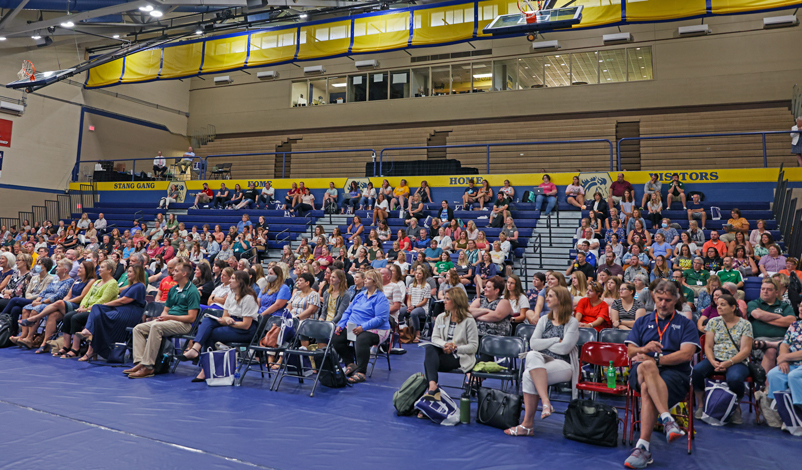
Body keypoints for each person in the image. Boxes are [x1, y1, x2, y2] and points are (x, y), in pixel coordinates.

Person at [623, 280, 699, 469]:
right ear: (654, 298)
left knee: (647, 385)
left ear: (676, 299)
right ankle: (667, 419)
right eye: (659, 299)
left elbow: (687, 354)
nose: (663, 304)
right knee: (646, 368)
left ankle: (643, 447)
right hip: (639, 371)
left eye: (667, 300)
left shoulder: (686, 324)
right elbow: (631, 352)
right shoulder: (642, 321)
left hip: (674, 375)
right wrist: (644, 348)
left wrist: (656, 359)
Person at [505, 286, 579, 436]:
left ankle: (527, 425)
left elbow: (564, 349)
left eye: (551, 296)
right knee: (531, 355)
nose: (547, 299)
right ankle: (545, 403)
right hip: (541, 360)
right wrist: (554, 340)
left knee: (528, 374)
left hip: (563, 364)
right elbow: (533, 344)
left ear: (561, 300)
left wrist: (545, 343)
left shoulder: (572, 322)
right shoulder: (544, 319)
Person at [179, 270, 259, 381]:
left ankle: (204, 369)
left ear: (240, 282)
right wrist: (226, 319)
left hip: (245, 330)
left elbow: (246, 325)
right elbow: (225, 315)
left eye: (233, 278)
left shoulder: (248, 298)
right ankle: (196, 350)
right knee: (207, 320)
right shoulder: (231, 295)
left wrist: (228, 322)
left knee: (211, 333)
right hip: (232, 322)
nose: (230, 281)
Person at [126, 261, 199, 379]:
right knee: (138, 328)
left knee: (156, 327)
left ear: (184, 273)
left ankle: (148, 367)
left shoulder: (193, 291)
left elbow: (191, 317)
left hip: (183, 324)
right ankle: (140, 362)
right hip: (169, 321)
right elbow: (166, 310)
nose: (172, 273)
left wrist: (168, 317)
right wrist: (163, 317)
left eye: (176, 271)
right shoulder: (173, 289)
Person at [692, 294, 753, 424]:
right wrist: (713, 361)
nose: (719, 307)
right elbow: (708, 346)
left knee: (735, 378)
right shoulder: (713, 322)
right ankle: (701, 405)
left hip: (737, 361)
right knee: (697, 371)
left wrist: (728, 362)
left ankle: (736, 408)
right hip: (716, 358)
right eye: (718, 304)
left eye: (723, 304)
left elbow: (745, 350)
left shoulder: (745, 324)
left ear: (733, 307)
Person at [75, 265, 147, 361]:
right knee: (96, 309)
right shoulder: (132, 286)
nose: (127, 274)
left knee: (98, 313)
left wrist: (106, 304)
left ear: (137, 273)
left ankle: (91, 346)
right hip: (121, 310)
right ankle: (90, 339)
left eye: (130, 272)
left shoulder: (140, 286)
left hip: (128, 313)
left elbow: (123, 301)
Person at [420, 287, 478, 403]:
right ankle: (433, 387)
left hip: (460, 357)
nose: (444, 301)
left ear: (456, 301)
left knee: (429, 362)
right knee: (430, 348)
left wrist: (455, 348)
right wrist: (445, 345)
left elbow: (473, 346)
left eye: (447, 299)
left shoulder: (469, 320)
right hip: (442, 353)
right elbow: (435, 338)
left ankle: (432, 390)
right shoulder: (441, 317)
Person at [332, 269, 391, 384]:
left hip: (376, 329)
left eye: (368, 278)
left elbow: (380, 319)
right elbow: (348, 312)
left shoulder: (381, 298)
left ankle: (361, 372)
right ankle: (350, 363)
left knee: (362, 338)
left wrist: (362, 327)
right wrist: (341, 324)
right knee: (337, 338)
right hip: (355, 327)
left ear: (375, 282)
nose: (365, 280)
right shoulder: (360, 296)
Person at [59, 260, 120, 359]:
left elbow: (103, 300)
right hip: (86, 309)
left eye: (102, 267)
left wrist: (87, 309)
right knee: (67, 316)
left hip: (99, 311)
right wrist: (82, 306)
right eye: (99, 267)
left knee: (75, 318)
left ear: (109, 270)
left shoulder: (112, 283)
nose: (99, 269)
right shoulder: (97, 281)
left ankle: (75, 348)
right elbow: (86, 296)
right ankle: (66, 346)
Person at [748, 277, 796, 373]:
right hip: (759, 342)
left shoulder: (784, 305)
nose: (765, 292)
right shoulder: (753, 303)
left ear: (776, 293)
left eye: (769, 290)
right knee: (771, 351)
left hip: (783, 341)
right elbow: (756, 314)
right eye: (763, 289)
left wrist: (764, 317)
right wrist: (779, 317)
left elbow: (791, 321)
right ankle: (766, 385)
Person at [767, 303, 802, 418]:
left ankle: (798, 411)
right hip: (792, 363)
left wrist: (784, 357)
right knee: (774, 374)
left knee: (794, 376)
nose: (800, 308)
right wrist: (783, 361)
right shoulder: (794, 325)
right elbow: (784, 344)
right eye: (800, 306)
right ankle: (782, 412)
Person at [400, 265, 431, 343]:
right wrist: (409, 305)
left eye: (419, 273)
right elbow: (409, 298)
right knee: (400, 311)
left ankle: (418, 333)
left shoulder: (427, 286)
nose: (417, 275)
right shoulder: (411, 285)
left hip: (422, 308)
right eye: (416, 273)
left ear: (423, 275)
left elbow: (425, 301)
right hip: (412, 305)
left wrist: (414, 307)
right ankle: (403, 329)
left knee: (414, 313)